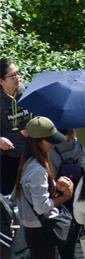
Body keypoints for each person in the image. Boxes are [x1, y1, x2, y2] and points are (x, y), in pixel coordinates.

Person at [14, 117, 73, 259]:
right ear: (37, 141)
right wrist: (66, 196)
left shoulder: (28, 162)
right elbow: (41, 206)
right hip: (41, 230)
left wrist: (56, 189)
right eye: (49, 140)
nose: (53, 144)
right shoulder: (37, 168)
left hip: (33, 229)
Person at [49, 128, 85, 259]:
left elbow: (50, 175)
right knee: (69, 251)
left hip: (56, 204)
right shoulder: (80, 148)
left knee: (51, 250)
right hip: (76, 205)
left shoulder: (51, 150)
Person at [1, 59, 30, 195]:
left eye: (18, 73)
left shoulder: (28, 91)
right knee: (7, 196)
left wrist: (34, 128)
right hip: (7, 156)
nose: (17, 77)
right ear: (1, 81)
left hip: (31, 152)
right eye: (12, 75)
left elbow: (41, 116)